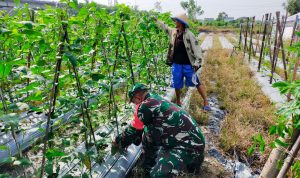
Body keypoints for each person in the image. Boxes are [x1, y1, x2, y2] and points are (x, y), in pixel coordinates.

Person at [113, 83, 205, 177]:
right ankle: (148, 164)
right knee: (148, 132)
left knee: (156, 175)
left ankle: (186, 167)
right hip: (194, 143)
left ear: (138, 97)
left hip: (189, 149)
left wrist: (118, 141)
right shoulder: (155, 99)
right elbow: (145, 132)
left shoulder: (145, 107)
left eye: (134, 102)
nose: (135, 104)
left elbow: (134, 131)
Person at [156, 13, 211, 111]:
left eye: (176, 21)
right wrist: (156, 21)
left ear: (181, 23)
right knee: (177, 83)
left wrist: (198, 62)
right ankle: (178, 101)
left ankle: (205, 101)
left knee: (196, 82)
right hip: (176, 64)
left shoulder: (189, 35)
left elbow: (197, 49)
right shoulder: (173, 32)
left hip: (188, 65)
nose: (175, 22)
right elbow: (165, 27)